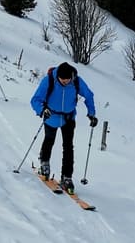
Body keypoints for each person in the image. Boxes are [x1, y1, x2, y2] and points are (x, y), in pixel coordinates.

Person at [29, 62, 96, 194]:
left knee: (68, 147)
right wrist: (42, 110)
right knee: (49, 139)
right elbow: (35, 99)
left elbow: (88, 95)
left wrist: (91, 114)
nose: (65, 82)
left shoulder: (76, 81)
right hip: (51, 116)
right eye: (62, 80)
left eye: (67, 80)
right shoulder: (49, 80)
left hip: (68, 118)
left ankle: (67, 177)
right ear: (58, 76)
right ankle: (44, 163)